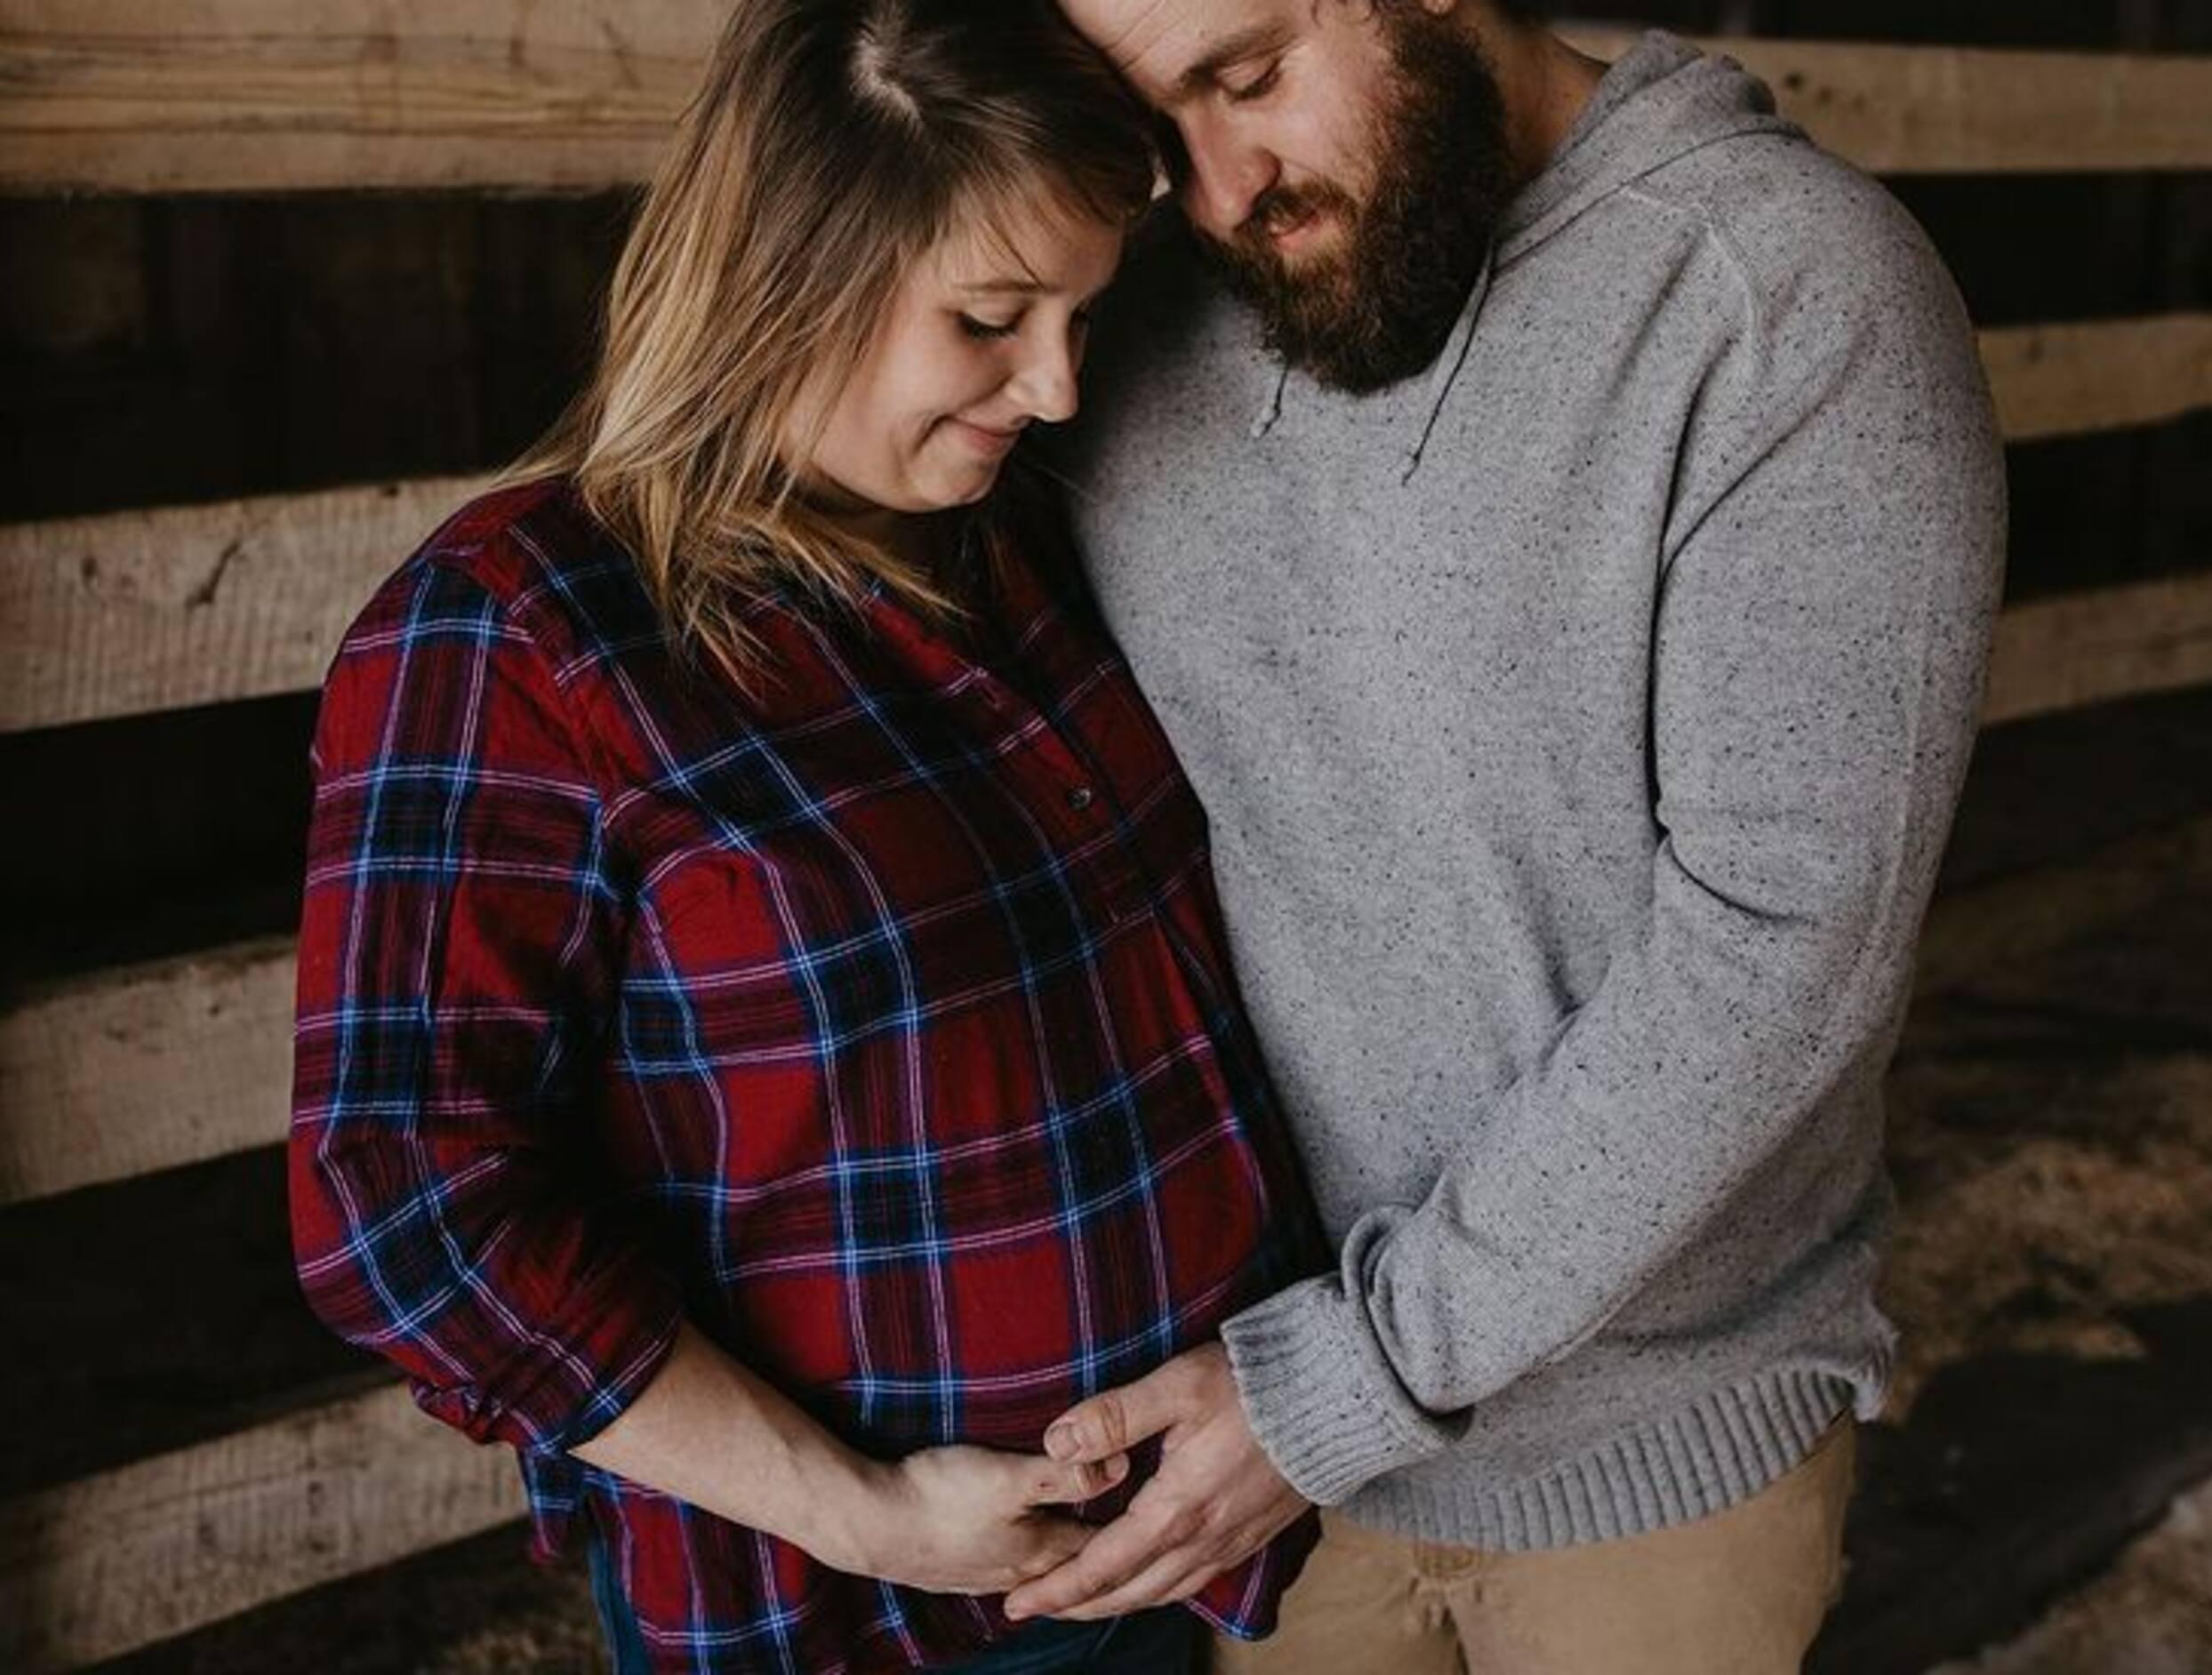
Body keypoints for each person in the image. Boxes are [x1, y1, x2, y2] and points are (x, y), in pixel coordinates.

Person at [284, 3, 1320, 1671]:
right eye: (991, 318)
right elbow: (402, 1203)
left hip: (1177, 1544)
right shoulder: (514, 640)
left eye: (1079, 316)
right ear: (793, 272)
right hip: (851, 1612)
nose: (1055, 385)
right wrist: (866, 1512)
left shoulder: (1010, 540)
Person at [1003, 3, 2008, 1671]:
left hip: (1647, 1456)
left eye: (1247, 79)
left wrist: (1350, 1380)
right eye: (1148, 134)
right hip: (1256, 1431)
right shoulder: (1129, 299)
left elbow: (1781, 948)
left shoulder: (1785, 297)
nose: (1215, 189)